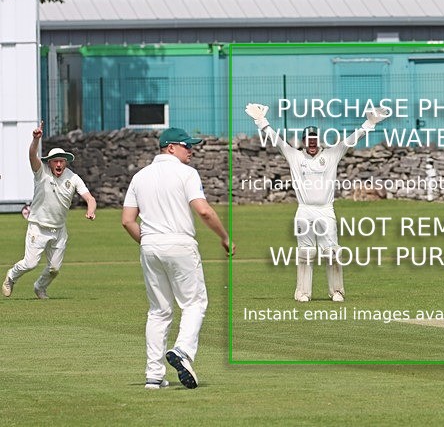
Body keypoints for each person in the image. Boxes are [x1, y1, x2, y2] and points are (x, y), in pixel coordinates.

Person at [122, 127, 235, 390]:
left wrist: (149, 241)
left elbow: (127, 221)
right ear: (170, 147)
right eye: (187, 146)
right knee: (195, 303)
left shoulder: (139, 176)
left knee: (158, 311)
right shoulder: (187, 173)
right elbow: (204, 211)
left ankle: (153, 375)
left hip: (149, 245)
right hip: (180, 243)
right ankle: (182, 351)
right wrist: (225, 237)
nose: (191, 151)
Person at [245, 103, 389, 303]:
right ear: (303, 142)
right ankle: (303, 292)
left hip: (325, 210)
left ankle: (337, 291)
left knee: (332, 252)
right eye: (308, 140)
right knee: (305, 253)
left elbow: (352, 139)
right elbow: (276, 140)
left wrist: (369, 122)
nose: (312, 143)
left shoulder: (331, 154)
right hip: (304, 210)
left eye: (314, 139)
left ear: (319, 140)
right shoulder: (294, 155)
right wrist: (261, 121)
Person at [3, 121, 97, 300]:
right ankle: (11, 277)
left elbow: (90, 198)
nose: (59, 164)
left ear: (66, 162)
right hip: (38, 227)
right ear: (50, 162)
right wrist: (35, 140)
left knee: (54, 269)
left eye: (62, 161)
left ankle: (39, 287)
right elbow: (32, 156)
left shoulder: (73, 178)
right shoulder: (41, 172)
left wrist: (91, 210)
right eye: (56, 161)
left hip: (59, 229)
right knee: (30, 263)